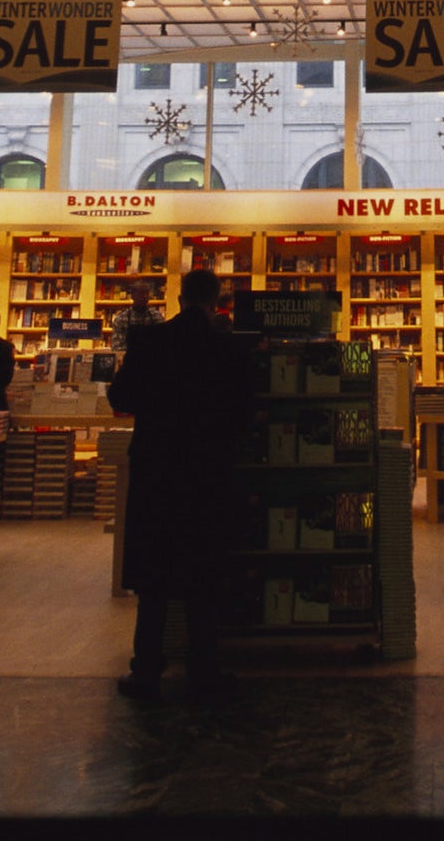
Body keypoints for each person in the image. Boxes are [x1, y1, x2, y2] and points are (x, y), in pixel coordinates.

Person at [105, 267, 255, 700]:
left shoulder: (151, 341)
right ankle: (203, 669)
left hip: (157, 468)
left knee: (154, 576)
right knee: (203, 572)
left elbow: (120, 398)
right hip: (208, 471)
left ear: (179, 298)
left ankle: (146, 669)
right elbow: (245, 411)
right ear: (215, 301)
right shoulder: (226, 347)